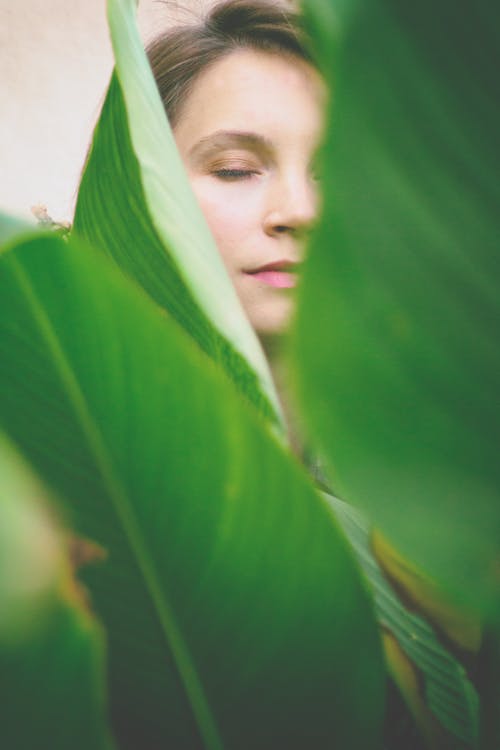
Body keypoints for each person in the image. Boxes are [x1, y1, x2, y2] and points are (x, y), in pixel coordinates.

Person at [145, 4, 479, 747]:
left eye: (340, 170)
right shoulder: (92, 478)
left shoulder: (455, 472)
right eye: (235, 168)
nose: (298, 210)